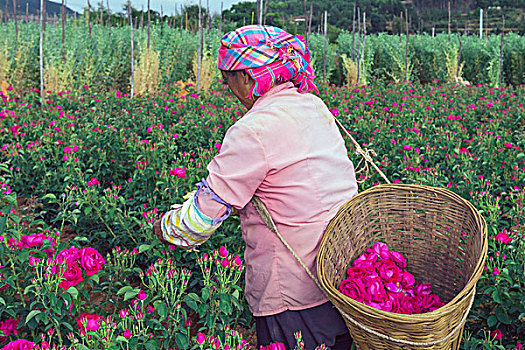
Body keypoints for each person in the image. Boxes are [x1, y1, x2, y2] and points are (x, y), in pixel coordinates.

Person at [153, 25, 358, 349]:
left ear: (248, 78)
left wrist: (163, 226)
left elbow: (198, 222)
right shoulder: (314, 107)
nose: (226, 85)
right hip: (342, 277)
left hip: (294, 292)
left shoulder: (254, 130)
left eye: (228, 77)